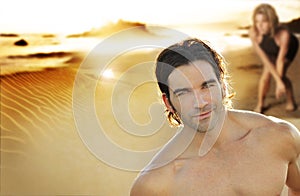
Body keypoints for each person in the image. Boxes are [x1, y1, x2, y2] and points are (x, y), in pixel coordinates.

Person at [130, 38, 300, 195]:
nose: (200, 102)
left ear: (223, 86)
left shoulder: (279, 136)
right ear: (168, 103)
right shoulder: (154, 184)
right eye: (184, 93)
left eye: (207, 86)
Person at [249, 3, 299, 113]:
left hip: (288, 48)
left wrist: (279, 82)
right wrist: (277, 81)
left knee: (281, 75)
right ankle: (260, 104)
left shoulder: (284, 35)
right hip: (269, 49)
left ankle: (291, 101)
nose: (259, 25)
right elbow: (265, 60)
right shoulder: (253, 33)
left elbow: (280, 60)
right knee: (266, 73)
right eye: (257, 22)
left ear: (271, 21)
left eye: (264, 22)